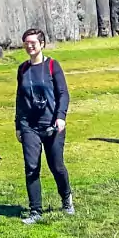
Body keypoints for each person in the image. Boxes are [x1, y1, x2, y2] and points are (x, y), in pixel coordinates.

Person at [14, 28, 73, 224]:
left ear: (42, 44)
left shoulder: (52, 66)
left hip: (52, 125)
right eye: (26, 43)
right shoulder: (22, 69)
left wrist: (61, 117)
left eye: (33, 42)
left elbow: (63, 94)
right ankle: (35, 210)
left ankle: (66, 198)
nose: (29, 46)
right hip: (29, 126)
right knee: (31, 167)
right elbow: (19, 98)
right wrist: (18, 125)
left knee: (56, 166)